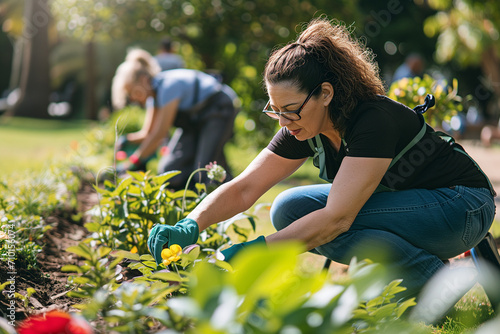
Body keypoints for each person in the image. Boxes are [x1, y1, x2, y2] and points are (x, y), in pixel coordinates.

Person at [147, 18, 496, 298]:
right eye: (275, 110)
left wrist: (252, 254)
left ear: (325, 93)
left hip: (463, 206)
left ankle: (431, 282)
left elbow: (337, 219)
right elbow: (244, 188)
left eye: (291, 110)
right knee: (287, 209)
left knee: (327, 218)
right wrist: (190, 223)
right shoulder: (304, 125)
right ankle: (424, 275)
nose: (283, 122)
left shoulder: (371, 120)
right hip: (413, 207)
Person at [111, 48, 239, 189]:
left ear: (143, 80)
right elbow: (147, 134)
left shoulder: (167, 87)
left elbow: (159, 134)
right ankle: (188, 203)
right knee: (170, 170)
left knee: (204, 171)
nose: (133, 98)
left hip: (218, 108)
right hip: (194, 121)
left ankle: (232, 197)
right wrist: (125, 140)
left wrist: (133, 163)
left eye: (133, 92)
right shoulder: (153, 98)